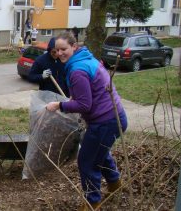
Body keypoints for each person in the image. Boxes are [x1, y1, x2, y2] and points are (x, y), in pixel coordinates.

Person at [46, 32, 128, 210]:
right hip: (115, 117)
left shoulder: (77, 71)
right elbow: (88, 94)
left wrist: (59, 105)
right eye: (56, 50)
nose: (60, 53)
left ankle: (92, 203)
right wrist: (71, 100)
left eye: (64, 49)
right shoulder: (87, 59)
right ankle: (115, 185)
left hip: (105, 122)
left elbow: (84, 105)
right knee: (99, 153)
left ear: (74, 46)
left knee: (87, 161)